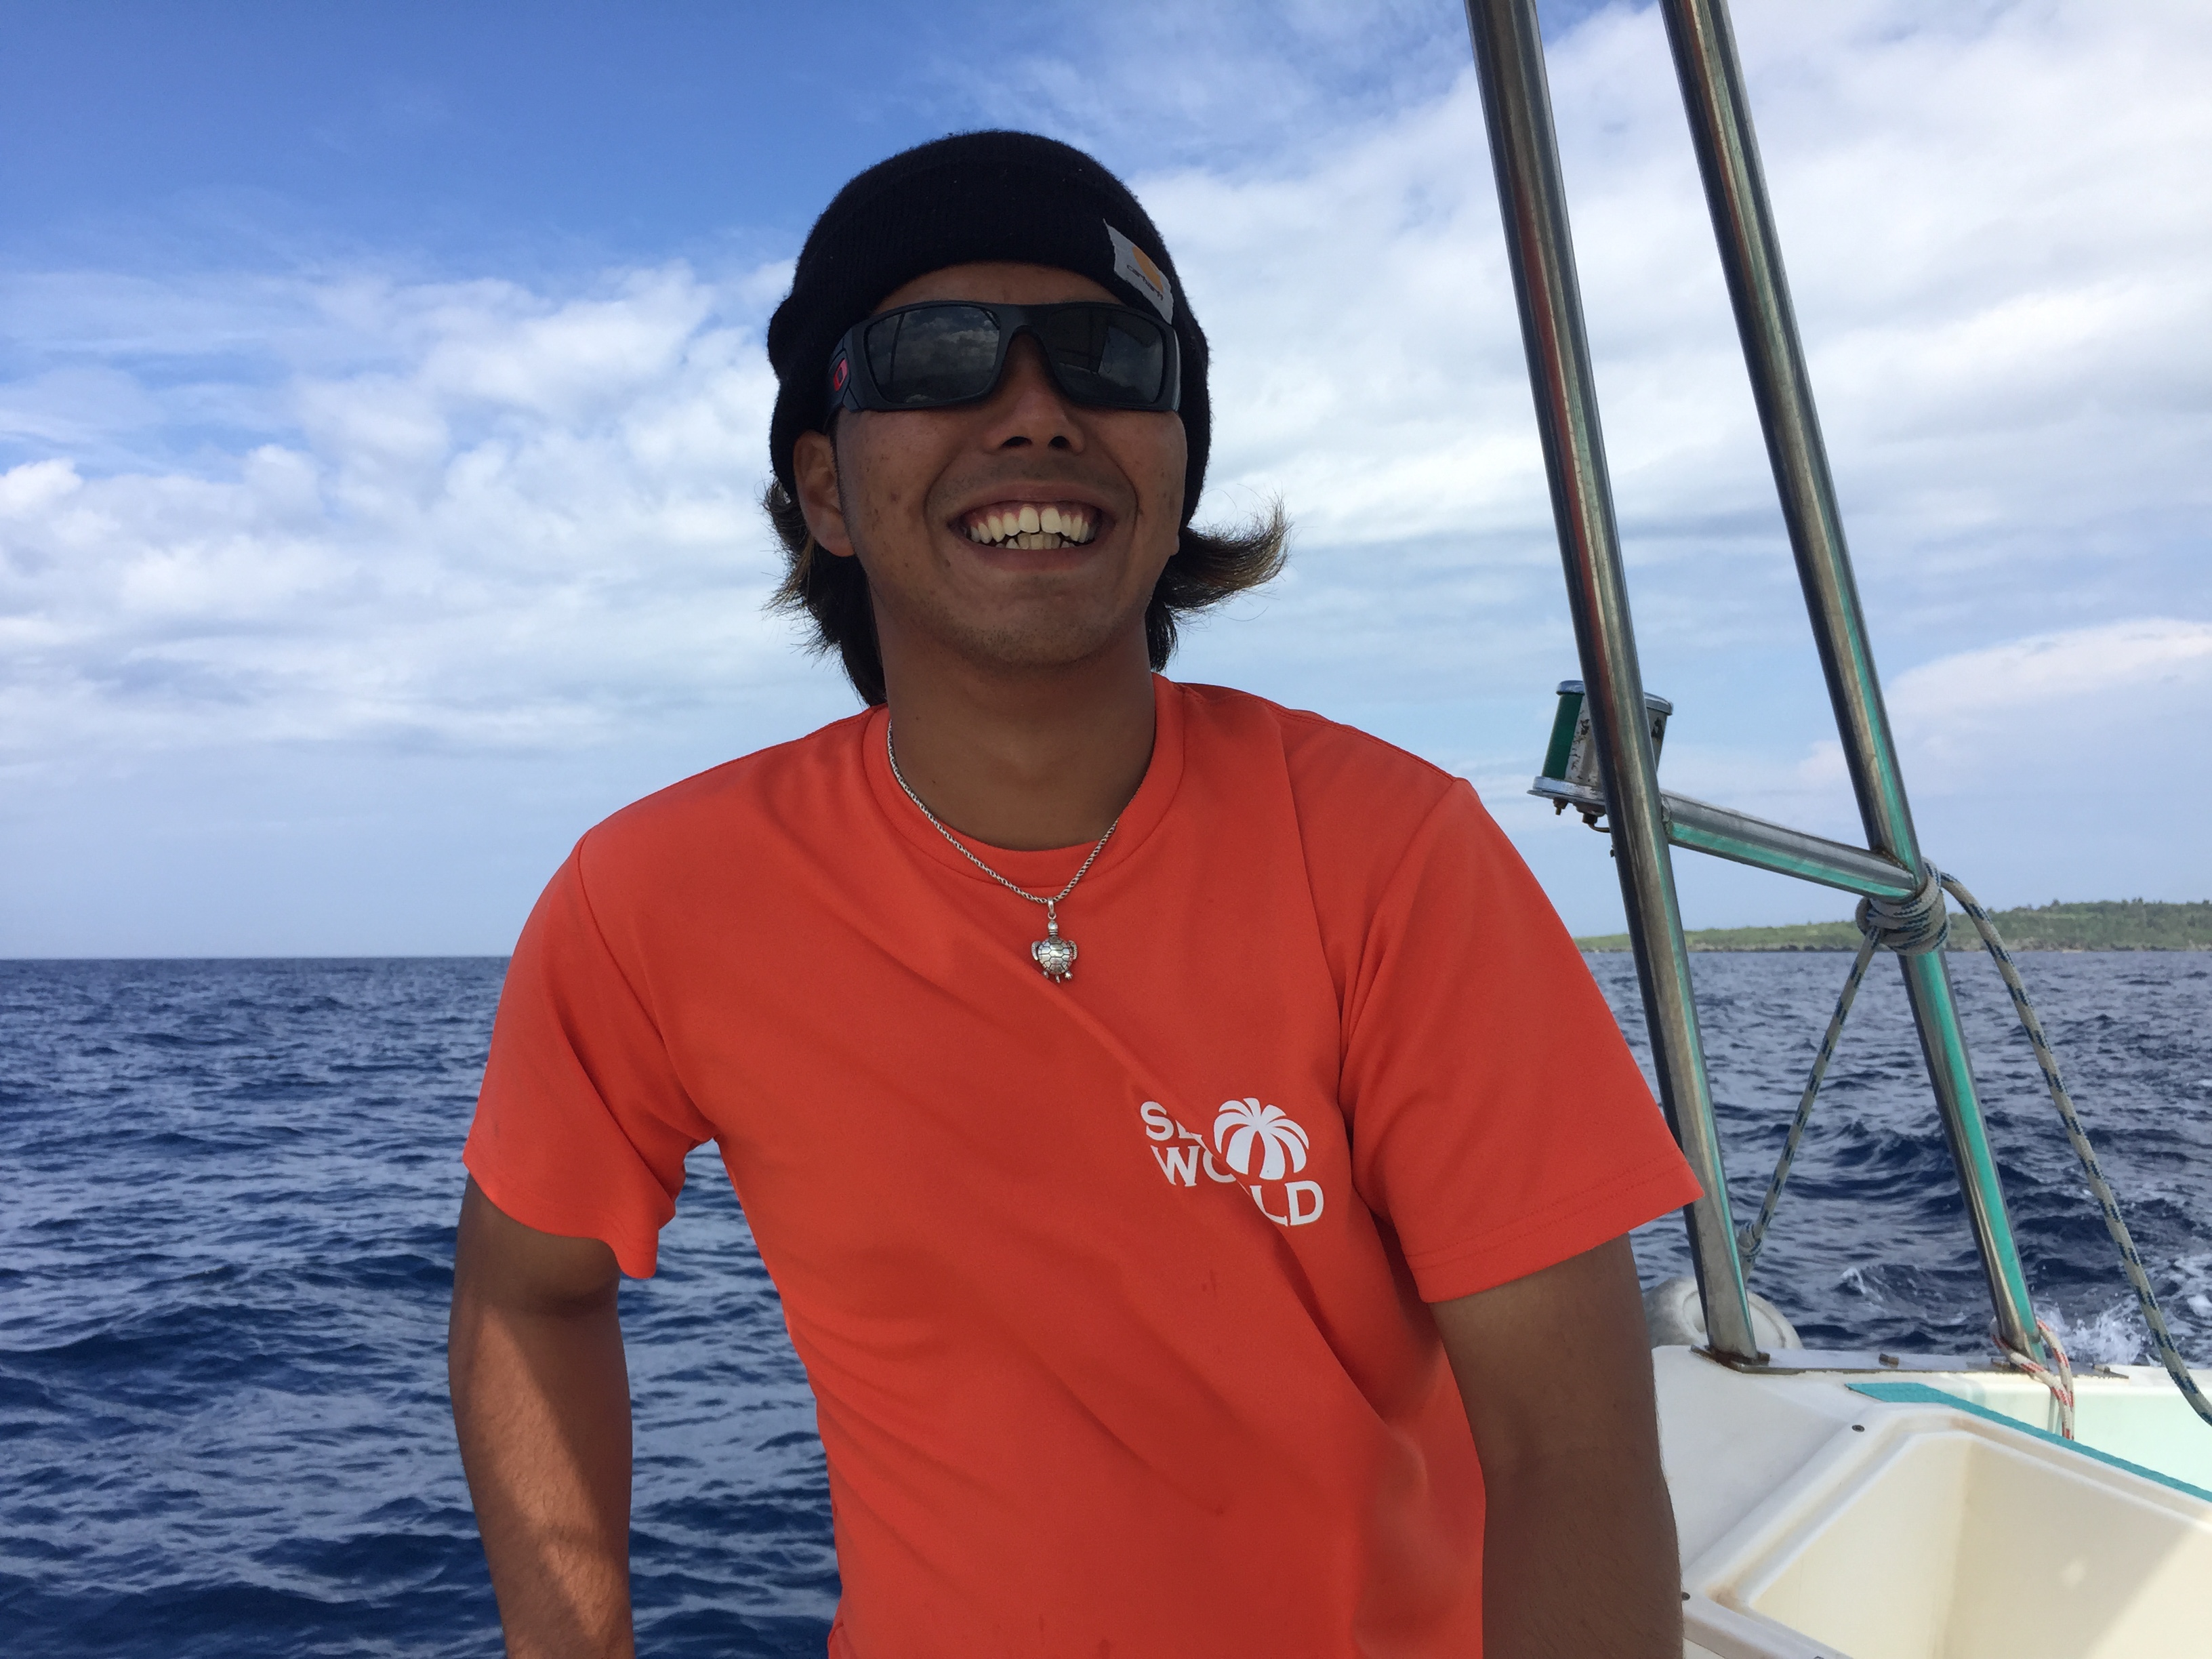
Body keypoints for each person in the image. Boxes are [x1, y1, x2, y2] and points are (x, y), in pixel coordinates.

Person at [448, 129, 1700, 1659]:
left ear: (1174, 477)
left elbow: (1572, 1457)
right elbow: (527, 1290)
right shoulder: (653, 900)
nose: (1037, 412)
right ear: (825, 488)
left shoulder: (1400, 860)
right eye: (935, 357)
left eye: (1110, 360)